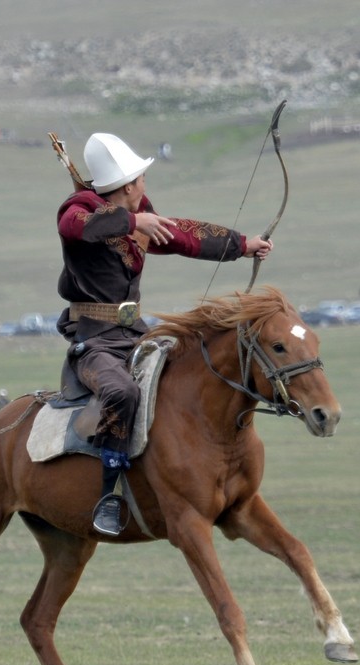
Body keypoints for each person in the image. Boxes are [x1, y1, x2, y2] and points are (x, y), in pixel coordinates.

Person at [56, 131, 274, 535]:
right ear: (127, 186)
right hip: (93, 340)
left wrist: (243, 244)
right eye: (140, 180)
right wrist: (135, 221)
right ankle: (109, 491)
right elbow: (76, 227)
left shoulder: (141, 214)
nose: (144, 186)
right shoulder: (80, 208)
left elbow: (183, 236)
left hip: (132, 333)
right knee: (121, 393)